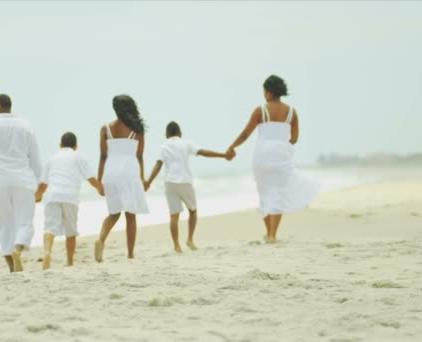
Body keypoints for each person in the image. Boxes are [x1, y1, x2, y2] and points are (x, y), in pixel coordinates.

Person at [226, 75, 319, 243]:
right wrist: (282, 144)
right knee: (278, 193)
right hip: (282, 154)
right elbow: (295, 138)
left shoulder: (260, 110)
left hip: (262, 155)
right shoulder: (292, 112)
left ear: (268, 91)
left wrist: (233, 147)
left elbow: (246, 133)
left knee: (264, 193)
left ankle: (268, 233)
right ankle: (272, 235)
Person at [0, 94, 42, 272]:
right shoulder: (26, 126)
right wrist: (38, 185)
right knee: (25, 222)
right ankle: (18, 249)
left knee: (4, 224)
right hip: (22, 180)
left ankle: (12, 268)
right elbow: (35, 160)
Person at [145, 121, 231, 253]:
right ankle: (190, 239)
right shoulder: (186, 143)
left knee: (174, 215)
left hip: (170, 182)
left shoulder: (163, 146)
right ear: (180, 133)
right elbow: (203, 152)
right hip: (185, 181)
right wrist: (223, 155)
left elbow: (158, 165)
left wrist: (149, 181)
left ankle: (176, 246)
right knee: (193, 211)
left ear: (166, 134)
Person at [35, 132, 104, 270]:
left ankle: (47, 252)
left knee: (49, 227)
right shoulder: (78, 157)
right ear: (76, 146)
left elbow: (43, 184)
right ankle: (69, 261)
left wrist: (37, 196)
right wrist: (101, 189)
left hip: (52, 195)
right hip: (70, 196)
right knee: (71, 230)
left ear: (60, 145)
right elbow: (91, 178)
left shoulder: (52, 158)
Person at [94, 95, 149, 262]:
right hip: (129, 173)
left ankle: (101, 239)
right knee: (130, 215)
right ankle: (130, 254)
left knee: (113, 213)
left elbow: (103, 156)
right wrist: (142, 178)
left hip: (111, 173)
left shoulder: (106, 129)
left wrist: (99, 181)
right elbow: (139, 156)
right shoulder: (137, 129)